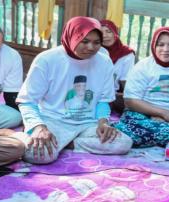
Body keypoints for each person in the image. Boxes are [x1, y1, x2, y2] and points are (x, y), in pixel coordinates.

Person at [17, 16, 133, 164]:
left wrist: (103, 123)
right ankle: (53, 140)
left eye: (96, 42)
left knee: (123, 143)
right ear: (71, 36)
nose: (91, 47)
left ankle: (68, 144)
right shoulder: (47, 60)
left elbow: (104, 100)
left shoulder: (104, 61)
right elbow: (27, 101)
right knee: (35, 155)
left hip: (87, 123)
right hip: (53, 120)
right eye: (84, 41)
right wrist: (39, 127)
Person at [114, 27, 169, 147]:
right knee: (128, 126)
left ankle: (147, 140)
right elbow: (130, 100)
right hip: (145, 115)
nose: (165, 49)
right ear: (154, 46)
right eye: (161, 45)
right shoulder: (142, 66)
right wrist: (162, 113)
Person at [99, 19, 135, 114]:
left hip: (113, 95)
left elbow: (125, 81)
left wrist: (128, 98)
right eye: (101, 32)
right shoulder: (94, 51)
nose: (105, 36)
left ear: (115, 33)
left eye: (108, 31)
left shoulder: (126, 54)